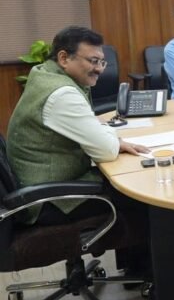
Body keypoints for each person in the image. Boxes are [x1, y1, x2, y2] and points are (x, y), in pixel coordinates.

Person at [7, 26, 150, 225]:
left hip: (38, 185)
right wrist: (107, 131)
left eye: (102, 62)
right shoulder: (62, 93)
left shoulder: (43, 73)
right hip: (50, 200)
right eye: (93, 61)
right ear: (64, 58)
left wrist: (98, 127)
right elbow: (106, 151)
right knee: (140, 192)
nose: (100, 69)